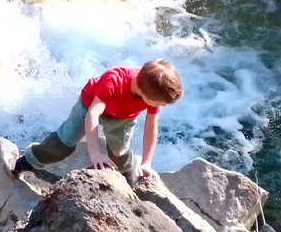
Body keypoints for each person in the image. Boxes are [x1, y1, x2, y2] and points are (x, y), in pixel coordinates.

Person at [13, 59, 183, 182]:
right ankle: (28, 160)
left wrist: (147, 163)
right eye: (160, 104)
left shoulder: (153, 90)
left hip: (124, 116)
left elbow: (151, 127)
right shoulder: (114, 80)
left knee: (119, 155)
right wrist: (95, 154)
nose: (162, 106)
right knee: (64, 144)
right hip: (90, 105)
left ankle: (127, 176)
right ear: (141, 92)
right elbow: (92, 115)